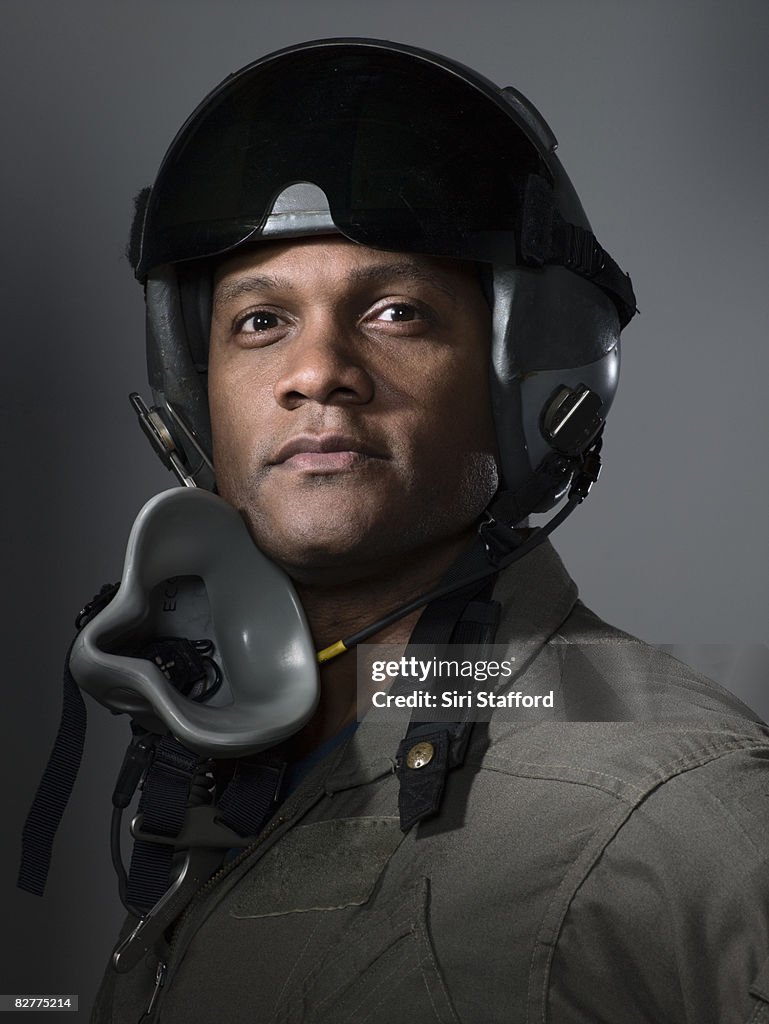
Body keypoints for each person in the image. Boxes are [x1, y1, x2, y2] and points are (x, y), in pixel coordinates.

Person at [69, 38, 769, 1022]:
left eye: (395, 311)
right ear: (194, 402)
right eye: (261, 321)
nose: (316, 371)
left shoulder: (664, 801)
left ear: (524, 377)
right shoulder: (229, 764)